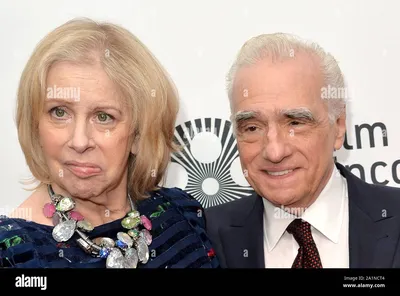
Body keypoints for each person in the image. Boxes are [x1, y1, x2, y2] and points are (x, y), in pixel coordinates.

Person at [0, 18, 219, 269]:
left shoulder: (182, 214)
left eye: (104, 117)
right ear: (35, 126)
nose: (79, 141)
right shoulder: (14, 254)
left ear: (138, 135)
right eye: (60, 112)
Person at [205, 33, 400, 268]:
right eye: (253, 127)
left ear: (338, 126)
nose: (275, 152)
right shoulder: (203, 237)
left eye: (295, 123)